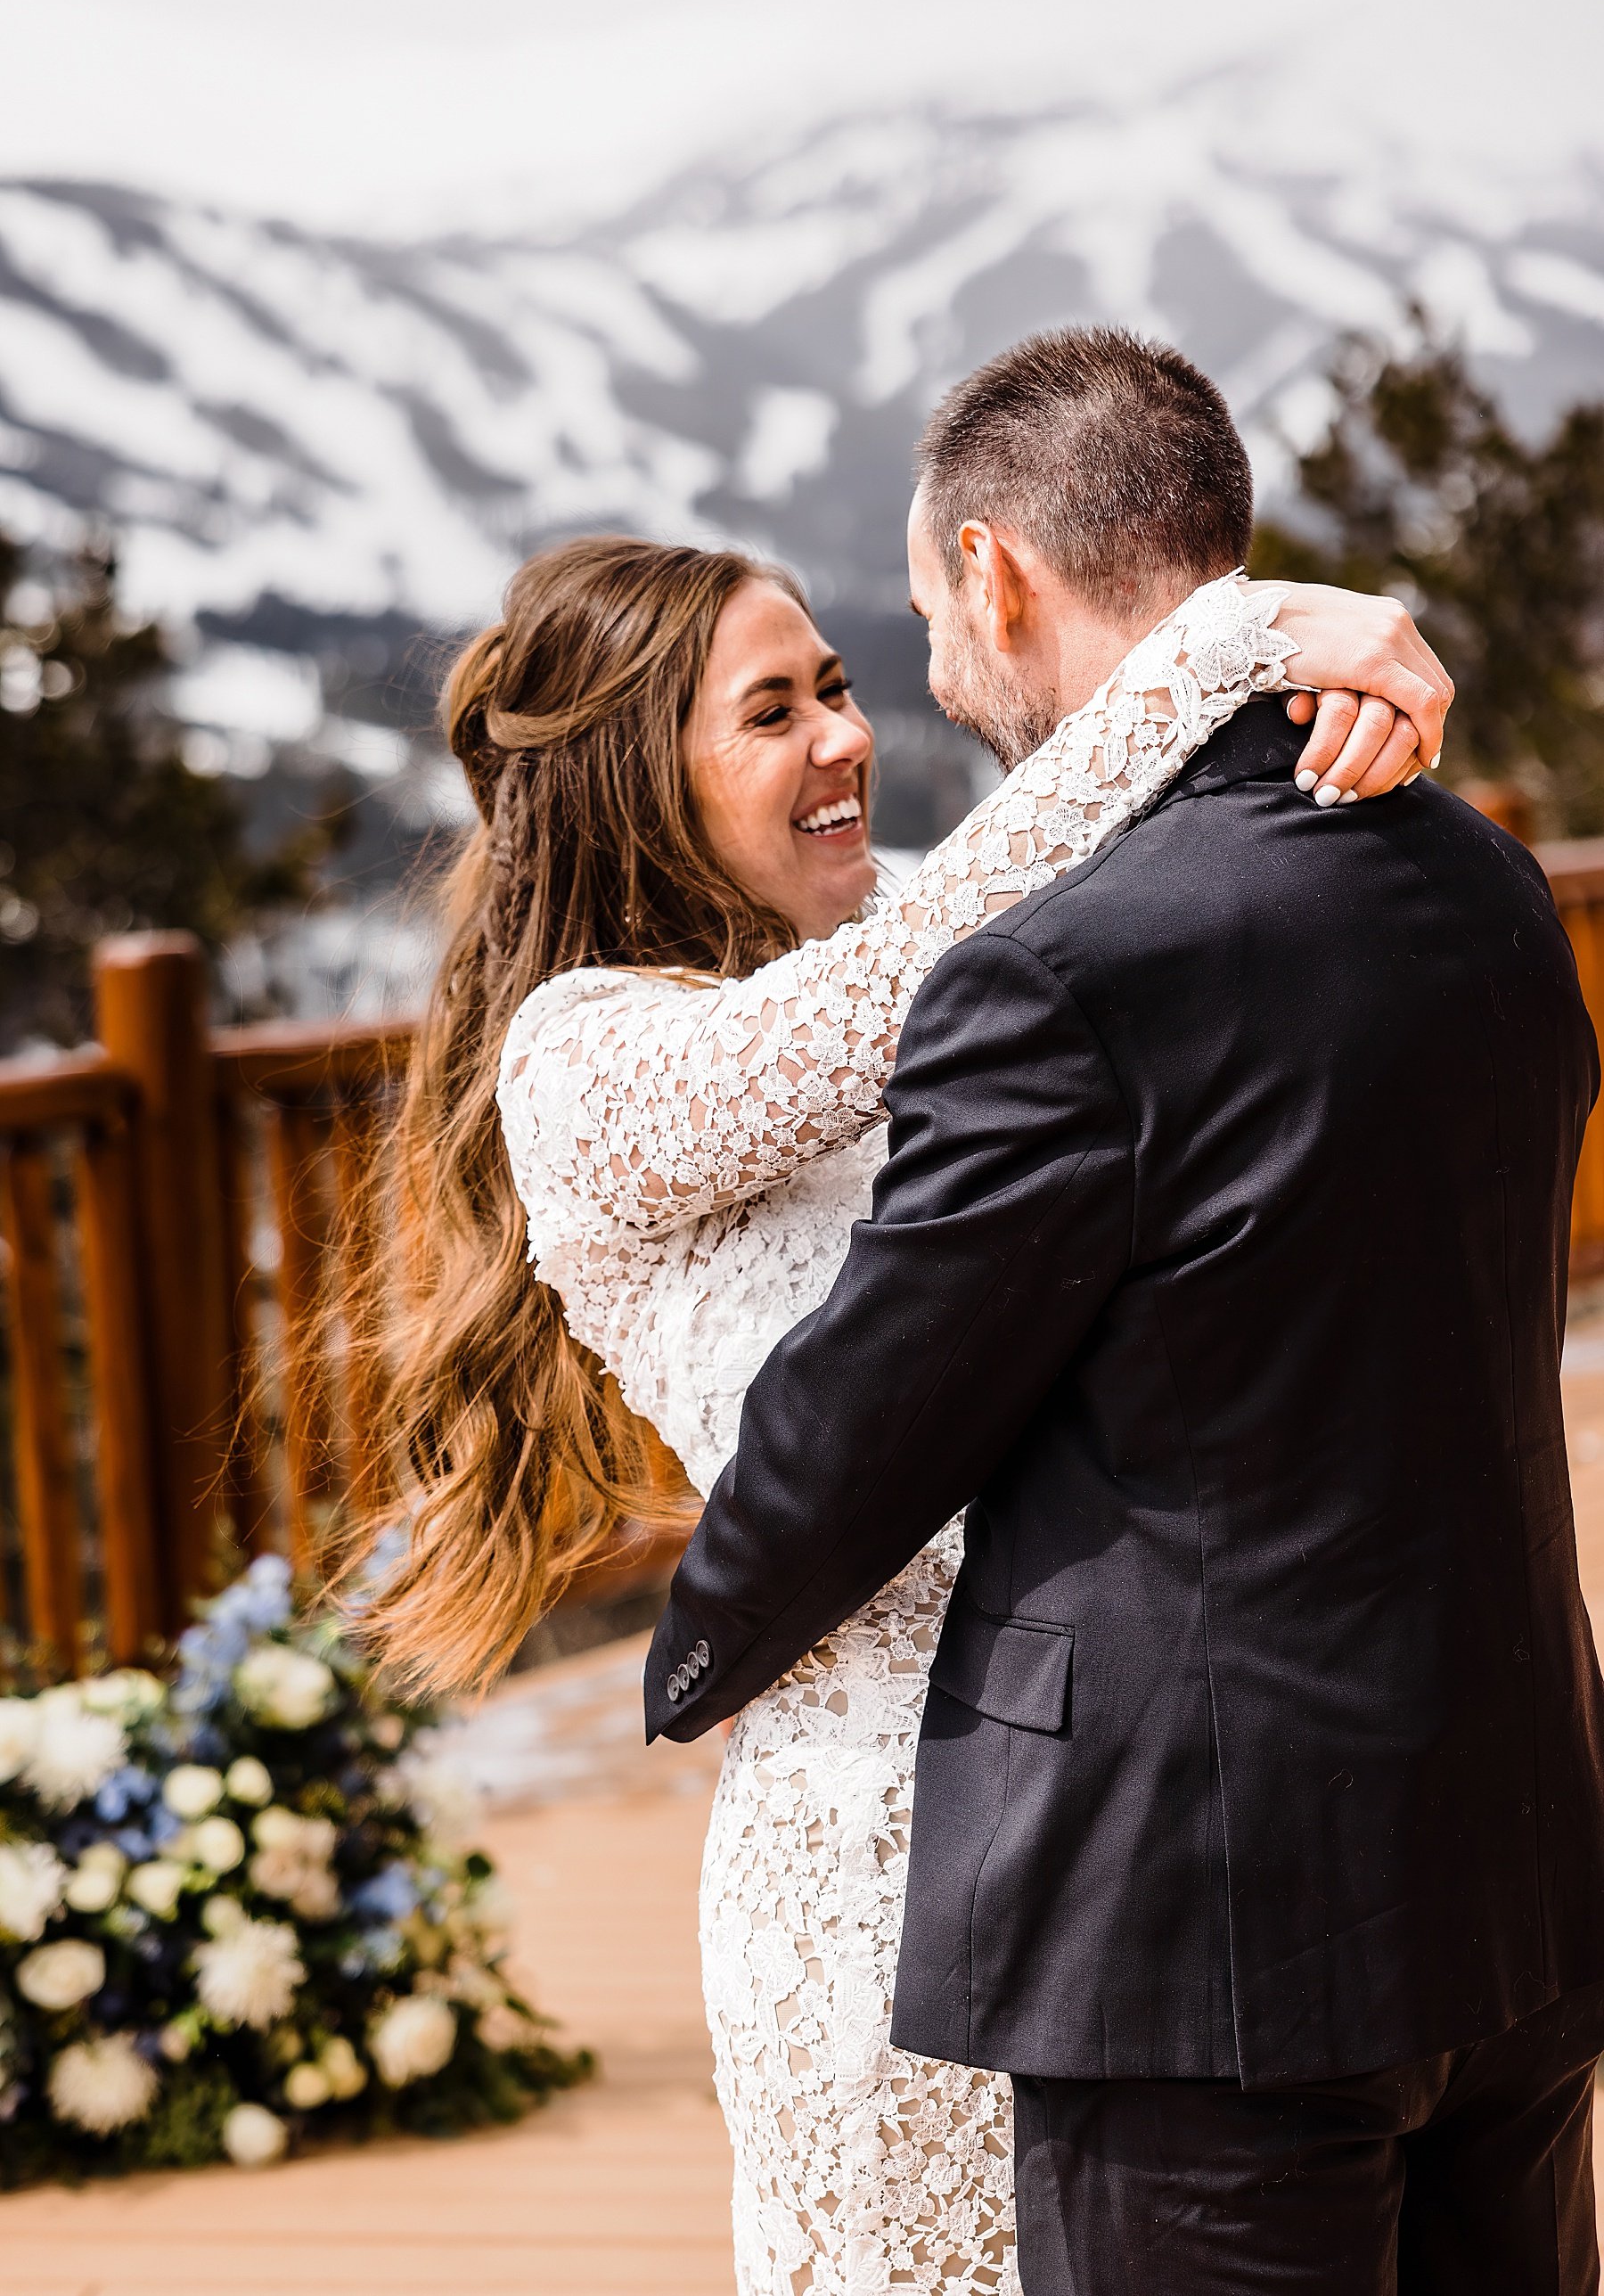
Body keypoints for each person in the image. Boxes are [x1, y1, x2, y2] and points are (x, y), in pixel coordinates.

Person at [363, 332, 1452, 2296]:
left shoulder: (913, 923)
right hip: (871, 1857)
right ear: (638, 781)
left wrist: (1321, 719)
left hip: (1101, 1823)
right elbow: (944, 977)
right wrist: (1222, 644)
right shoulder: (588, 1060)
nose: (847, 739)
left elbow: (1095, 895)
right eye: (771, 713)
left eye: (842, 683)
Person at [643, 327, 1604, 2295]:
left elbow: (871, 1419)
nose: (923, 678)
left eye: (920, 616)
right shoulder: (1491, 887)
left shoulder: (1058, 978)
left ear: (998, 574)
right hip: (1515, 1863)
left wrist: (706, 1636)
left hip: (1213, 1934)